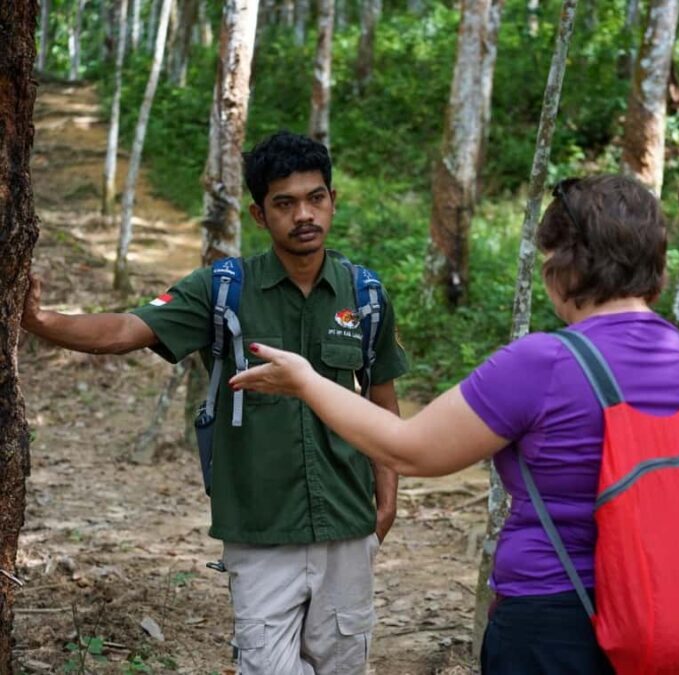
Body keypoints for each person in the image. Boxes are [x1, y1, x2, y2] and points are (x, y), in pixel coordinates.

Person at [230, 174, 679, 675]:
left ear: (563, 266)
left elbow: (411, 450)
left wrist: (306, 381)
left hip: (556, 618)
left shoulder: (545, 363)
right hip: (670, 612)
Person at [22, 131, 408, 675]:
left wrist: (385, 505)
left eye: (315, 197)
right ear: (258, 214)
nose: (304, 214)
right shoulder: (223, 289)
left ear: (332, 200)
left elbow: (384, 405)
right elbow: (124, 329)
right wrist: (39, 321)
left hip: (347, 524)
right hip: (259, 528)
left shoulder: (365, 296)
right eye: (284, 203)